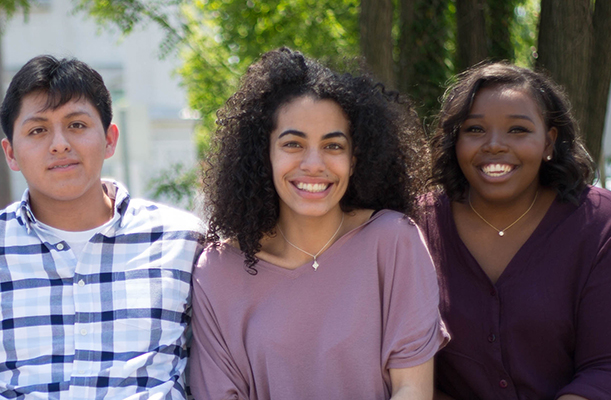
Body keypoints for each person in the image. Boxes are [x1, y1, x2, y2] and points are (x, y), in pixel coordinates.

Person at [0, 55, 204, 399]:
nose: (59, 143)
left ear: (109, 139)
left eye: (76, 125)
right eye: (38, 130)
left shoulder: (184, 243)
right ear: (11, 153)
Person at [190, 47, 447, 400]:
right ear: (264, 155)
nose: (314, 164)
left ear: (355, 161)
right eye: (293, 144)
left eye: (333, 146)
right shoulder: (217, 271)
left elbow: (411, 390)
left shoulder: (393, 241)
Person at [419, 62, 611, 399]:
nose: (495, 145)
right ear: (455, 141)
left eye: (518, 130)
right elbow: (399, 368)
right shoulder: (414, 228)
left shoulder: (605, 225)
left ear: (549, 142)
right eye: (474, 129)